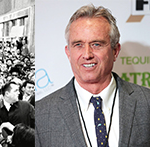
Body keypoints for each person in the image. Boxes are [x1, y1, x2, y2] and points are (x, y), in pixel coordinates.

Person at [36, 4, 150, 147]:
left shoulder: (146, 103)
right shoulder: (41, 114)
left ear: (115, 51)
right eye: (78, 45)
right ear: (68, 53)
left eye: (96, 44)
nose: (87, 54)